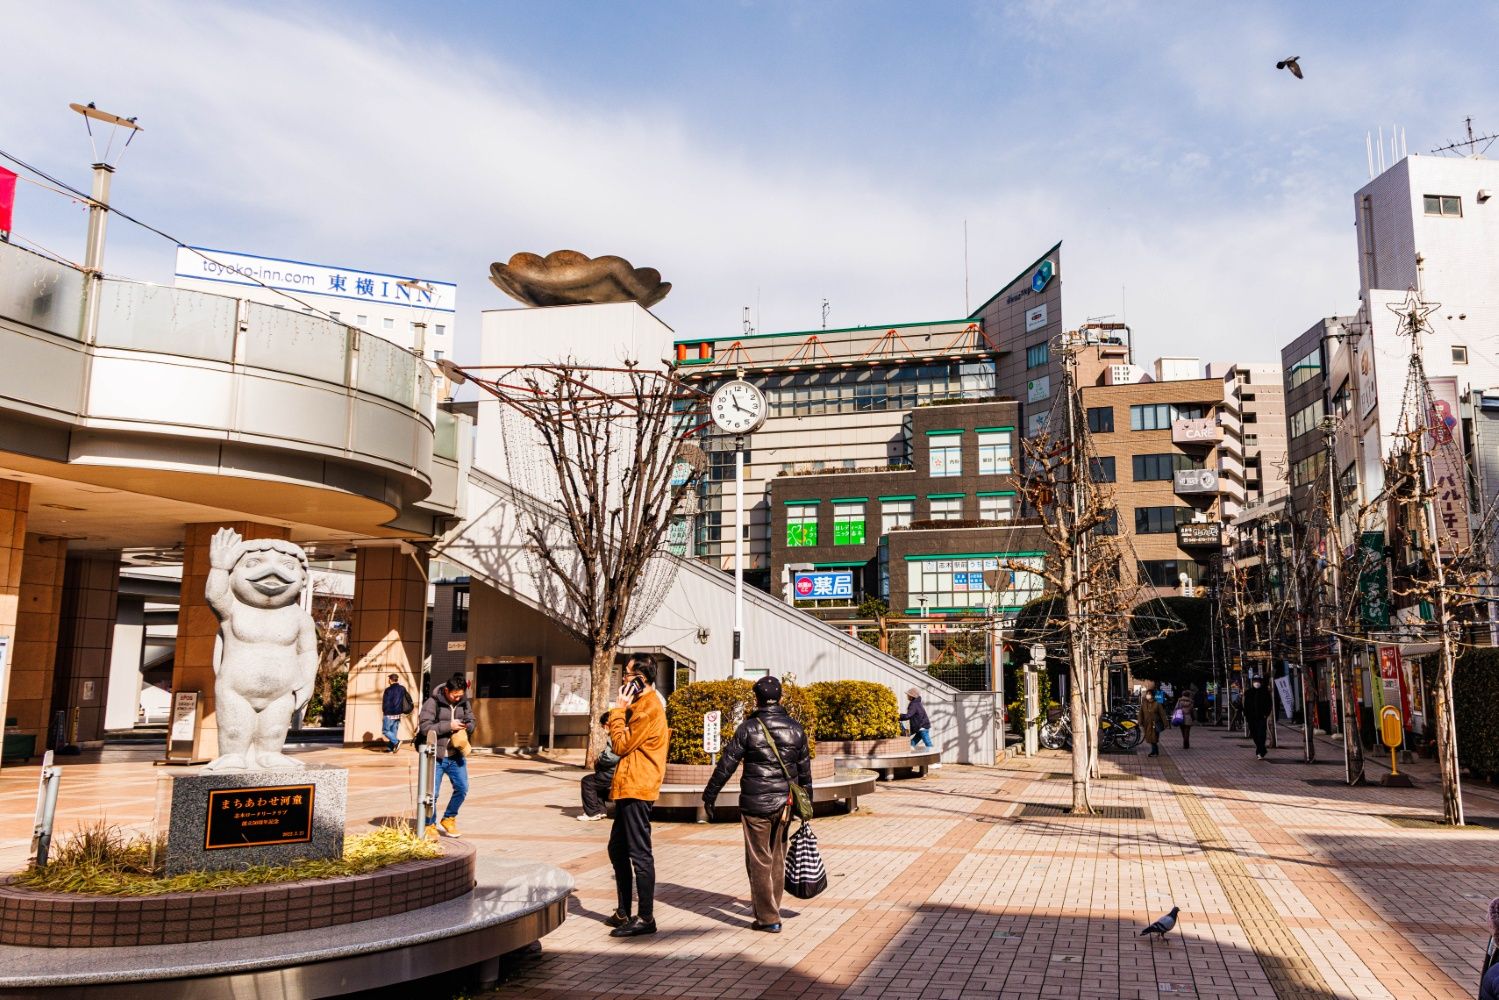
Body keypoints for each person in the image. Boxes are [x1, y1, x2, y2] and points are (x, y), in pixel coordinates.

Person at [702, 675, 812, 934]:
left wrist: (710, 794)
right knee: (777, 857)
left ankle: (768, 917)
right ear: (780, 698)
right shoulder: (796, 729)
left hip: (756, 804)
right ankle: (772, 907)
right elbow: (805, 772)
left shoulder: (748, 728)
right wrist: (807, 805)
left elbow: (726, 764)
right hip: (785, 803)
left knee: (759, 860)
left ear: (757, 699)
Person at [604, 656, 668, 938]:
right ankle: (623, 911)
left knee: (639, 853)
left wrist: (619, 710)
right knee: (617, 848)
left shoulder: (648, 709)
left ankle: (645, 917)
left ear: (640, 679)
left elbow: (620, 745)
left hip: (638, 787)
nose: (623, 680)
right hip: (629, 785)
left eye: (627, 675)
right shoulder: (641, 705)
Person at [418, 673, 474, 838]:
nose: (457, 698)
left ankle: (449, 818)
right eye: (455, 695)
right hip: (436, 756)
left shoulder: (464, 702)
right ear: (447, 690)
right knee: (432, 794)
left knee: (462, 788)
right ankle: (429, 824)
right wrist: (449, 725)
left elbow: (472, 720)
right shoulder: (432, 702)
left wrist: (468, 726)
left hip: (456, 754)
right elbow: (425, 728)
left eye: (460, 695)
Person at [578, 712, 619, 822]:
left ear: (607, 723)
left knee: (587, 782)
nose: (603, 729)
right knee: (597, 783)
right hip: (616, 771)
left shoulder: (616, 734)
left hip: (612, 773)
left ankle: (593, 812)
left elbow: (611, 757)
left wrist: (599, 758)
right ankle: (600, 810)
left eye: (603, 726)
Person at [1244, 675, 1273, 760]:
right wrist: (1246, 715)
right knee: (1254, 735)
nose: (1256, 683)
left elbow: (1269, 704)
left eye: (1258, 681)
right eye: (1255, 681)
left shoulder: (1265, 692)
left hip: (1261, 717)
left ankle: (1260, 752)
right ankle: (1262, 749)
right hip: (1251, 718)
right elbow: (1245, 705)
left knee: (1261, 734)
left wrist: (1266, 714)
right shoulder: (1249, 692)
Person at [381, 673, 412, 753]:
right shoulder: (402, 688)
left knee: (385, 731)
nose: (388, 680)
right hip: (398, 714)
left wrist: (384, 711)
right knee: (393, 731)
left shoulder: (388, 690)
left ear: (391, 680)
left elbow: (386, 702)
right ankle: (390, 749)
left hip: (389, 713)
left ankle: (396, 742)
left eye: (389, 679)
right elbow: (408, 698)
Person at [1140, 689, 1168, 757]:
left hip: (1155, 723)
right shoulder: (1144, 704)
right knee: (1149, 737)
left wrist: (1165, 723)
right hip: (1147, 724)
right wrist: (1140, 721)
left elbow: (1162, 714)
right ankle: (1155, 751)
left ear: (1152, 695)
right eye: (1147, 694)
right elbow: (1140, 713)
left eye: (1149, 694)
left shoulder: (1157, 704)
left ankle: (1154, 751)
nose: (1148, 695)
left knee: (1154, 737)